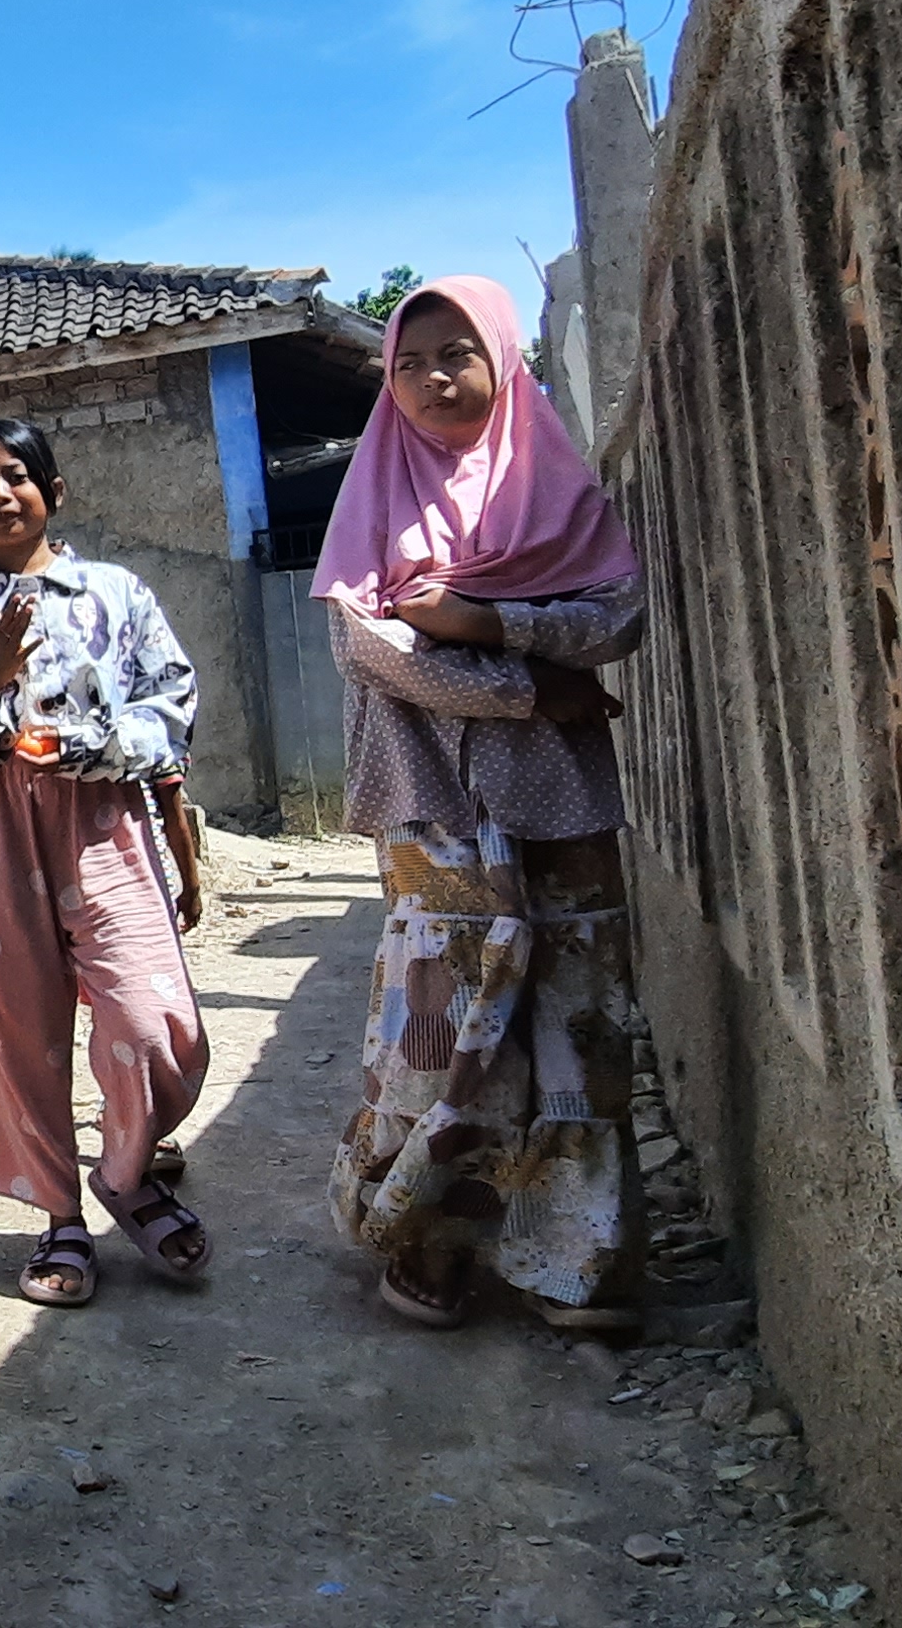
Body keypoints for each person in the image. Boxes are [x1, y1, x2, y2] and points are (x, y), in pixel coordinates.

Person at [312, 275, 649, 1332]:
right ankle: (433, 1238)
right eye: (408, 364)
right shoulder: (376, 492)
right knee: (439, 1028)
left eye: (456, 354)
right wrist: (529, 688)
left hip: (558, 799)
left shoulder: (556, 491)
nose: (431, 380)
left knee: (574, 1021)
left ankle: (575, 1257)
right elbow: (371, 651)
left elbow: (617, 615)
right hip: (429, 798)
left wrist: (482, 622)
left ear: (501, 362)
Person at [0, 417, 214, 1308]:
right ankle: (59, 1216)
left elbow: (173, 701)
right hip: (2, 825)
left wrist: (99, 748)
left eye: (16, 476)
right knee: (22, 1029)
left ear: (54, 491)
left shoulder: (117, 594)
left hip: (102, 818)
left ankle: (124, 1173)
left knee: (152, 1019)